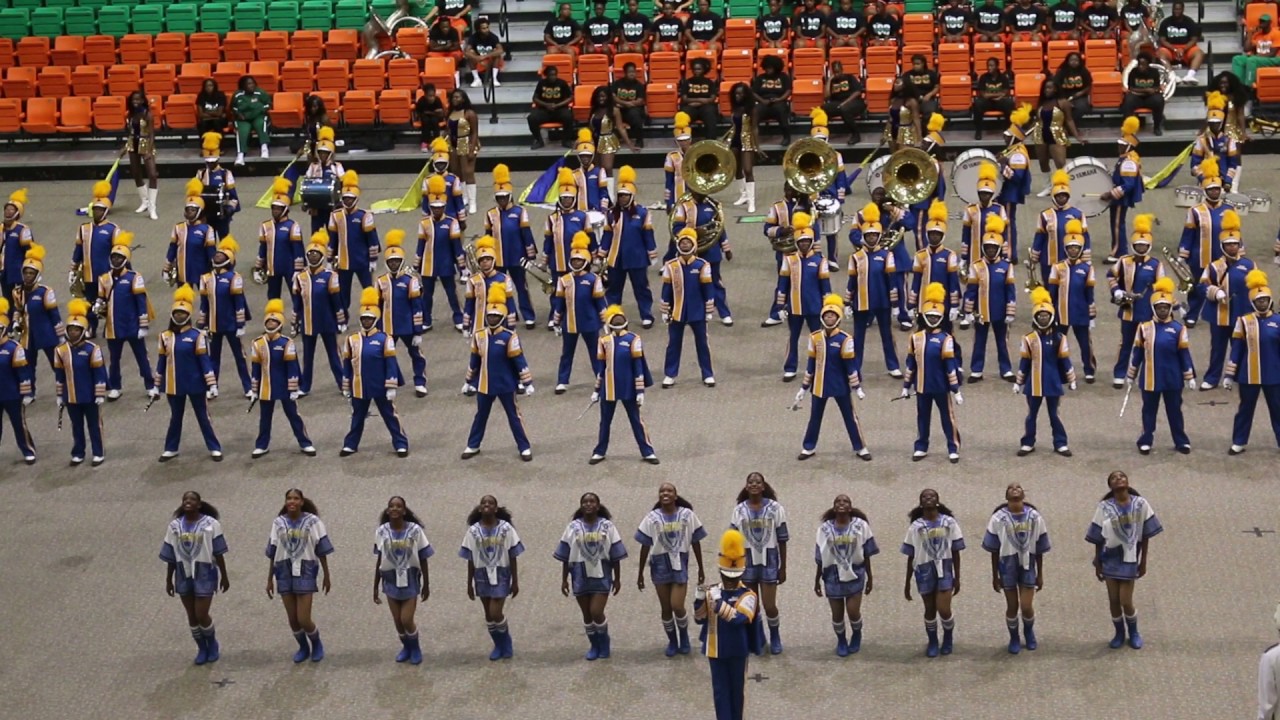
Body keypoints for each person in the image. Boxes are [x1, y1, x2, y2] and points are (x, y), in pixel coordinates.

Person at [1086, 471, 1162, 648]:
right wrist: (1098, 562)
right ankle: (1119, 632)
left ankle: (1134, 631)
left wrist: (1143, 561)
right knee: (1113, 600)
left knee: (1125, 601)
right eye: (1114, 478)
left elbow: (1145, 534)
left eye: (1122, 476)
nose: (1118, 478)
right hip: (1110, 558)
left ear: (1128, 482)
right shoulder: (1104, 507)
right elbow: (1098, 536)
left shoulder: (1140, 504)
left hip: (1130, 557)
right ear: (1110, 486)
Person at [461, 285, 535, 461]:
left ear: (502, 318)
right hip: (484, 384)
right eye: (490, 316)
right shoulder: (479, 336)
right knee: (480, 416)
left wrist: (527, 382)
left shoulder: (509, 337)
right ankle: (473, 445)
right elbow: (474, 361)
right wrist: (468, 380)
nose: (492, 318)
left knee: (514, 416)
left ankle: (524, 447)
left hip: (505, 384)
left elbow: (519, 361)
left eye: (496, 316)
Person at [150, 286, 221, 462]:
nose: (179, 316)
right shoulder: (165, 336)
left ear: (189, 315)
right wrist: (156, 386)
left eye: (182, 313)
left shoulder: (197, 336)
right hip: (174, 385)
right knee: (175, 417)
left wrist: (211, 383)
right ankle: (171, 448)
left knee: (203, 416)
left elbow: (205, 361)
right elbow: (161, 362)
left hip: (195, 383)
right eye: (176, 313)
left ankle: (214, 447)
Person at [553, 492, 628, 660]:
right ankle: (594, 645)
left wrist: (618, 578)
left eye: (592, 501)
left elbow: (615, 553)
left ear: (598, 505)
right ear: (581, 506)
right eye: (585, 502)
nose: (588, 504)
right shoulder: (573, 527)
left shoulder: (607, 526)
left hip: (602, 574)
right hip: (579, 574)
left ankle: (604, 642)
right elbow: (566, 554)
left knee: (596, 611)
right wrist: (564, 579)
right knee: (587, 615)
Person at [796, 293, 871, 461]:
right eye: (827, 315)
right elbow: (810, 364)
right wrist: (803, 388)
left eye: (832, 316)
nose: (829, 318)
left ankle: (860, 446)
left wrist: (857, 388)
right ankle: (808, 446)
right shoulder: (814, 337)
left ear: (838, 318)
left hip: (840, 386)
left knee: (850, 417)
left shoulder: (845, 339)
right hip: (819, 386)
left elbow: (851, 367)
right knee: (814, 418)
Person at [694, 529, 760, 720]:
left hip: (738, 650)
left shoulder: (748, 595)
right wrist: (699, 600)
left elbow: (739, 619)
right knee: (720, 693)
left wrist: (719, 603)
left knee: (736, 692)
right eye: (726, 576)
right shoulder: (713, 592)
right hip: (715, 650)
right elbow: (700, 619)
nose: (729, 580)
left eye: (733, 577)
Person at [636, 482, 707, 656]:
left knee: (677, 605)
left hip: (679, 565)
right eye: (662, 491)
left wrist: (700, 568)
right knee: (666, 608)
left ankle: (684, 637)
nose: (665, 493)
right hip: (659, 565)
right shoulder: (651, 518)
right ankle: (672, 641)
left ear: (676, 496)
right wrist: (640, 574)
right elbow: (645, 545)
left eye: (669, 491)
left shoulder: (687, 515)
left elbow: (695, 541)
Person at [1126, 277, 1195, 453]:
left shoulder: (1179, 329)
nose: (1163, 310)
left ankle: (1181, 441)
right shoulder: (1144, 328)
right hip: (1149, 379)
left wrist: (1189, 376)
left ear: (1170, 308)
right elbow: (1137, 353)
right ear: (1154, 309)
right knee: (1149, 411)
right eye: (1159, 307)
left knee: (1175, 412)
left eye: (1165, 307)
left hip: (1173, 378)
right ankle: (1145, 439)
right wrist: (1131, 374)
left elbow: (1184, 354)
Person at [160, 491, 230, 665]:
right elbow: (170, 555)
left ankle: (212, 643)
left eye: (192, 499)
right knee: (191, 616)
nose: (188, 502)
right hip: (183, 574)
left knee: (201, 614)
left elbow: (219, 552)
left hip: (205, 573)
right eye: (185, 499)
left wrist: (224, 576)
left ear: (199, 504)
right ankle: (201, 648)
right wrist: (169, 579)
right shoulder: (175, 526)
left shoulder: (211, 524)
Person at [981, 483, 1050, 654]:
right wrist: (995, 575)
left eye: (1018, 487)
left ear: (1023, 495)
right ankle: (1014, 637)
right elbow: (994, 550)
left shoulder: (1034, 517)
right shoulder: (998, 518)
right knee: (1012, 606)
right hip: (1007, 566)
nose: (1015, 489)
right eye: (1011, 488)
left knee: (1026, 606)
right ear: (1006, 496)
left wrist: (1040, 574)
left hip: (1028, 565)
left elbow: (1040, 548)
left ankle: (1028, 631)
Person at [266, 488, 334, 662]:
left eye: (296, 498)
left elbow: (321, 549)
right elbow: (273, 551)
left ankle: (316, 643)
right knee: (293, 619)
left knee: (303, 618)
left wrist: (326, 575)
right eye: (289, 498)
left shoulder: (313, 522)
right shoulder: (278, 523)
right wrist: (269, 579)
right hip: (283, 571)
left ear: (302, 502)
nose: (292, 502)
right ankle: (303, 647)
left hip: (306, 570)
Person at [340, 287, 408, 457]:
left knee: (390, 416)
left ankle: (401, 443)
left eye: (370, 319)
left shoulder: (385, 338)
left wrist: (391, 385)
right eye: (364, 318)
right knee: (357, 417)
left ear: (376, 319)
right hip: (359, 386)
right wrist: (346, 386)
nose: (366, 321)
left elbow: (391, 363)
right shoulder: (351, 339)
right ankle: (351, 444)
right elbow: (347, 364)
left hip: (380, 385)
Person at [902, 283, 964, 462]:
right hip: (921, 386)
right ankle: (921, 446)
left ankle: (953, 446)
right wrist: (906, 386)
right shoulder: (915, 338)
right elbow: (910, 364)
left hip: (941, 386)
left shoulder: (946, 339)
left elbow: (950, 366)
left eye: (936, 317)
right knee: (922, 418)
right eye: (930, 316)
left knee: (947, 418)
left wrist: (956, 389)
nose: (933, 319)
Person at [590, 304, 657, 464]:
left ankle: (647, 451)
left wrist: (640, 391)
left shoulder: (634, 339)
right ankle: (600, 450)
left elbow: (638, 367)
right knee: (605, 421)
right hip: (609, 388)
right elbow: (601, 369)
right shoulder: (603, 341)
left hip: (629, 388)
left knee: (636, 420)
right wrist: (596, 390)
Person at [729, 473, 789, 654]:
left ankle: (775, 636)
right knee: (751, 605)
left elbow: (782, 538)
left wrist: (783, 567)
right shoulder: (739, 510)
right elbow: (733, 540)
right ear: (746, 487)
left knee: (769, 605)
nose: (754, 484)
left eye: (758, 482)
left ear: (763, 486)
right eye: (750, 482)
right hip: (747, 562)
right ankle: (757, 638)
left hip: (769, 561)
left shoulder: (776, 509)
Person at [248, 298, 315, 458]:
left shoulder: (286, 343)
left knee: (294, 416)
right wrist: (254, 389)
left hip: (284, 387)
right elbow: (256, 369)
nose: (270, 324)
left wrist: (294, 388)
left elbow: (292, 366)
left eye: (274, 321)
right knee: (265, 419)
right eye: (269, 321)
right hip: (266, 388)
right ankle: (261, 445)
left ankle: (305, 442)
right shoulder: (257, 343)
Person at [459, 494, 523, 660]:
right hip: (481, 574)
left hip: (501, 572)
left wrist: (515, 581)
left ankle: (506, 641)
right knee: (488, 614)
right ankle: (497, 645)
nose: (486, 505)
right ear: (480, 508)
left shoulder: (506, 529)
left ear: (496, 508)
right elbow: (470, 558)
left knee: (496, 612)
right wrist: (469, 583)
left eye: (490, 503)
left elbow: (513, 554)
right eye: (483, 503)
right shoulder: (473, 531)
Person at [1015, 287, 1077, 456]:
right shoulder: (1028, 339)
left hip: (1052, 382)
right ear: (1035, 317)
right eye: (1040, 316)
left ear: (1051, 317)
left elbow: (1065, 360)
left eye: (1046, 316)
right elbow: (1024, 362)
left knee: (1054, 415)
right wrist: (1018, 382)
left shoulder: (1059, 338)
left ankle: (1060, 442)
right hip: (1033, 384)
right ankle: (1028, 442)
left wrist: (1072, 379)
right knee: (1031, 415)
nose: (1043, 319)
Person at [902, 488, 964, 657]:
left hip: (944, 569)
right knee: (929, 609)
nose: (928, 498)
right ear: (920, 502)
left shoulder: (949, 523)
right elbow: (911, 554)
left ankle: (948, 637)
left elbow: (956, 551)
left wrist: (957, 576)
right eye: (924, 496)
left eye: (932, 496)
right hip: (924, 571)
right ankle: (933, 641)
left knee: (943, 609)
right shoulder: (915, 527)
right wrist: (907, 582)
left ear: (937, 500)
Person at [372, 496, 433, 664]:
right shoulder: (381, 532)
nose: (394, 509)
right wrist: (375, 587)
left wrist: (426, 584)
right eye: (391, 506)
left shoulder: (415, 531)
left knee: (406, 619)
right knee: (398, 621)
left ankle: (415, 648)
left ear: (404, 511)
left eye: (398, 506)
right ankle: (406, 647)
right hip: (390, 579)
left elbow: (423, 557)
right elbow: (379, 558)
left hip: (410, 578)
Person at [1225, 270, 1280, 454]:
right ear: (1253, 302)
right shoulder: (1243, 321)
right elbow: (1237, 350)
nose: (1262, 303)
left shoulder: (1278, 321)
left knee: (1278, 409)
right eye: (1258, 301)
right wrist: (1229, 375)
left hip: (1274, 375)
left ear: (1270, 300)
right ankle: (1239, 441)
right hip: (1248, 375)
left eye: (1264, 300)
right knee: (1245, 409)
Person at [815, 494, 877, 656]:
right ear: (834, 507)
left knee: (853, 611)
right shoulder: (824, 529)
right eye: (838, 501)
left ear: (850, 507)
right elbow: (820, 556)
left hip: (855, 573)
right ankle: (841, 640)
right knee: (837, 614)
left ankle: (856, 634)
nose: (841, 503)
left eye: (845, 501)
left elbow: (867, 552)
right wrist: (817, 580)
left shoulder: (861, 526)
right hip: (832, 575)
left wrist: (870, 577)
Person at [1107, 214, 1164, 388]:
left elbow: (1162, 288)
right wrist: (1116, 291)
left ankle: (1147, 373)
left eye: (1144, 245)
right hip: (1128, 310)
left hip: (1147, 311)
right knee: (1125, 343)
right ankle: (1119, 373)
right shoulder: (1124, 261)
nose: (1141, 248)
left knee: (1148, 344)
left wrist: (1174, 305)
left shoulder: (1156, 264)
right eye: (1138, 245)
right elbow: (1111, 275)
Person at [845, 205, 902, 378]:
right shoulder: (855, 257)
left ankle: (893, 366)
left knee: (887, 335)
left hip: (882, 302)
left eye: (874, 235)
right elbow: (851, 281)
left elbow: (892, 282)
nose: (871, 238)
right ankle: (855, 367)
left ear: (879, 236)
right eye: (868, 235)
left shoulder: (886, 255)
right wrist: (847, 302)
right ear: (863, 237)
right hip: (860, 303)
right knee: (858, 337)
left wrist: (895, 305)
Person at [95, 232, 152, 401]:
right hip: (113, 326)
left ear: (126, 260)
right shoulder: (104, 279)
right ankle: (115, 387)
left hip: (132, 325)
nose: (116, 260)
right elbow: (102, 297)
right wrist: (97, 305)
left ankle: (150, 385)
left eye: (120, 258)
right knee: (114, 360)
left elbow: (141, 302)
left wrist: (143, 325)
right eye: (114, 257)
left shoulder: (135, 277)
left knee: (142, 357)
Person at [1200, 212, 1255, 389]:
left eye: (1235, 244)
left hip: (1241, 312)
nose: (1232, 247)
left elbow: (1258, 287)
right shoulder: (1214, 266)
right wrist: (1215, 293)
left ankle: (1240, 376)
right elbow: (1202, 286)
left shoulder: (1249, 265)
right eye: (1228, 244)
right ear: (1222, 246)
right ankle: (1212, 377)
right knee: (1217, 348)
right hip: (1219, 314)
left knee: (1240, 346)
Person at [599, 168, 656, 326]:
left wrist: (652, 253)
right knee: (614, 290)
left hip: (637, 258)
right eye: (620, 195)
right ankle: (613, 315)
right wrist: (601, 254)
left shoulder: (643, 213)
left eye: (626, 195)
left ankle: (646, 315)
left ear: (632, 196)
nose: (623, 198)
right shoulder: (611, 214)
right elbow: (607, 236)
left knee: (641, 288)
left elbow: (648, 235)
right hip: (616, 259)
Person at [778, 215, 831, 381]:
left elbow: (826, 287)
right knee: (793, 337)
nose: (804, 244)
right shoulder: (789, 260)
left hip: (815, 307)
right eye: (801, 241)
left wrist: (827, 307)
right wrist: (780, 306)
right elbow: (782, 284)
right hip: (794, 307)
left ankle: (819, 367)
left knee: (818, 339)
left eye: (807, 241)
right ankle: (790, 368)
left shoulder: (820, 260)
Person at [661, 229, 717, 388]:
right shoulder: (671, 266)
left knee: (702, 343)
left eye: (688, 242)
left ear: (693, 245)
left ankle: (708, 374)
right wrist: (665, 310)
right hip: (677, 311)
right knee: (673, 344)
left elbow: (708, 289)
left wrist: (708, 310)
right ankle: (670, 374)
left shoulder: (702, 265)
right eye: (682, 242)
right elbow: (666, 289)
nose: (685, 245)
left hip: (697, 311)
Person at [484, 165, 539, 328]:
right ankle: (505, 315)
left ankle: (528, 315)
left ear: (510, 195)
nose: (502, 200)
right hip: (498, 258)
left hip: (517, 256)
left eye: (505, 197)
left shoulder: (520, 211)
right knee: (499, 289)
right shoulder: (490, 214)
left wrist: (530, 255)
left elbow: (526, 234)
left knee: (522, 287)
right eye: (499, 197)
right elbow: (487, 237)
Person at [551, 233, 606, 393]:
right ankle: (562, 381)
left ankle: (600, 378)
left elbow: (600, 303)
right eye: (574, 260)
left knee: (596, 353)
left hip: (590, 322)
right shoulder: (564, 280)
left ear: (585, 262)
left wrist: (605, 322)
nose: (576, 263)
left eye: (579, 260)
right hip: (569, 323)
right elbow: (559, 303)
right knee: (566, 353)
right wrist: (556, 321)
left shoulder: (593, 279)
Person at [54, 299, 107, 465]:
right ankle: (78, 452)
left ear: (83, 331)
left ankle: (98, 452)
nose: (74, 333)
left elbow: (99, 373)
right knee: (76, 427)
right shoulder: (60, 351)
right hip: (71, 396)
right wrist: (60, 395)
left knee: (94, 426)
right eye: (71, 329)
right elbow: (59, 374)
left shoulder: (93, 349)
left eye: (77, 330)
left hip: (90, 395)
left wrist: (99, 394)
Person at [196, 237, 250, 397]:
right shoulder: (205, 279)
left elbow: (239, 302)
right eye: (217, 254)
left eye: (221, 255)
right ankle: (213, 387)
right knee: (213, 358)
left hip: (232, 325)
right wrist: (202, 323)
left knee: (240, 357)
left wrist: (240, 324)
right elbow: (204, 303)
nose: (217, 256)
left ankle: (248, 387)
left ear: (228, 260)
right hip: (214, 325)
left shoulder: (234, 278)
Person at [375, 230, 428, 396]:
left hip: (408, 326)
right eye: (391, 261)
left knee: (416, 354)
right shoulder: (380, 281)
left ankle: (420, 382)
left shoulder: (410, 280)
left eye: (397, 261)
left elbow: (417, 306)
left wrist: (418, 330)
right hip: (388, 327)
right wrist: (377, 328)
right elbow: (377, 306)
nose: (393, 264)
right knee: (386, 356)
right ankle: (391, 382)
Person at [1179, 157, 1230, 327]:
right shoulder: (1195, 211)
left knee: (1222, 284)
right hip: (1199, 255)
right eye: (1211, 189)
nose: (1214, 192)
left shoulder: (1229, 209)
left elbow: (1235, 234)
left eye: (1217, 189)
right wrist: (1183, 253)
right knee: (1198, 286)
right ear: (1205, 190)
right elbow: (1188, 233)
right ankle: (1192, 314)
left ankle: (1218, 312)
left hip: (1221, 255)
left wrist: (1239, 253)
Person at [292, 234, 345, 396]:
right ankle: (305, 386)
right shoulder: (300, 277)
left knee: (334, 355)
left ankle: (343, 384)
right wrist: (295, 322)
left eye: (316, 254)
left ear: (322, 257)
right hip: (308, 323)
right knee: (307, 357)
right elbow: (297, 303)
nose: (313, 256)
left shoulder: (330, 276)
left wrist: (340, 320)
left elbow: (336, 300)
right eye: (310, 254)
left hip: (327, 321)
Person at [965, 217, 1017, 382]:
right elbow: (971, 290)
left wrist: (1010, 311)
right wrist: (967, 311)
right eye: (988, 247)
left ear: (999, 248)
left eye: (994, 247)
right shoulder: (976, 266)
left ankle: (1006, 369)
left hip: (1000, 311)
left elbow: (1011, 291)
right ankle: (976, 370)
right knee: (979, 341)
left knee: (1002, 342)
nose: (991, 250)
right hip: (981, 312)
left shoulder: (1006, 266)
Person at [671, 190, 732, 325]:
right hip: (690, 253)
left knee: (715, 282)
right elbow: (676, 229)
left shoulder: (713, 206)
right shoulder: (684, 207)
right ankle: (693, 312)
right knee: (691, 283)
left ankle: (724, 313)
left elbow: (720, 227)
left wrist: (726, 248)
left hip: (712, 251)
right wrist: (694, 232)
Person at [1047, 225, 1098, 381]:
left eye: (1076, 248)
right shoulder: (1057, 267)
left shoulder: (1087, 268)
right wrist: (1051, 312)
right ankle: (1060, 371)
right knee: (1058, 344)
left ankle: (1089, 370)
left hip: (1081, 313)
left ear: (1081, 249)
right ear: (1066, 249)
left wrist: (1091, 315)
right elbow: (1052, 292)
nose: (1073, 251)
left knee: (1085, 344)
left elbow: (1090, 293)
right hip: (1061, 313)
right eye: (1070, 248)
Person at [71, 182, 120, 338]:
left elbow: (120, 253)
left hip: (107, 274)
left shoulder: (113, 229)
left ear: (106, 211)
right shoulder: (83, 228)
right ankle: (91, 327)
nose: (97, 212)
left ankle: (112, 327)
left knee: (110, 302)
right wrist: (73, 268)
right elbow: (78, 250)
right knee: (90, 302)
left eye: (100, 209)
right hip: (88, 274)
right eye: (95, 209)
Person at [417, 175, 466, 332]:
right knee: (427, 295)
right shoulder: (424, 223)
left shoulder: (451, 223)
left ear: (444, 206)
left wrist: (462, 267)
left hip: (446, 264)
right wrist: (416, 263)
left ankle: (459, 317)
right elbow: (420, 245)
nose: (437, 210)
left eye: (439, 207)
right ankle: (426, 319)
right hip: (428, 265)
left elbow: (457, 247)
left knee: (452, 293)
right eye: (434, 207)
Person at [327, 170, 381, 315]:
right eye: (345, 198)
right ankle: (343, 316)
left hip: (362, 260)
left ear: (356, 198)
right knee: (343, 291)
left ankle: (374, 314)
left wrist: (373, 259)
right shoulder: (336, 216)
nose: (348, 201)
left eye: (351, 198)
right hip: (343, 262)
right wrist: (329, 259)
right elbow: (332, 240)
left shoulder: (364, 216)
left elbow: (372, 239)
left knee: (368, 289)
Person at [13, 245, 64, 386]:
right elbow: (17, 309)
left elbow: (55, 315)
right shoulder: (17, 291)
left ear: (37, 274)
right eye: (26, 272)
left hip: (46, 333)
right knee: (28, 366)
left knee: (57, 365)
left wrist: (60, 336)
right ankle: (30, 392)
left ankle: (65, 388)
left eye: (31, 273)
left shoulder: (45, 292)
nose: (28, 276)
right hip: (28, 335)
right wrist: (16, 322)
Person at [1031, 173, 1090, 287]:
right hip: (1048, 261)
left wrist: (1086, 258)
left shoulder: (1077, 214)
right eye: (1058, 195)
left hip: (1070, 261)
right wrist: (1034, 256)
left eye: (1064, 195)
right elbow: (1039, 237)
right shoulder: (1044, 215)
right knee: (1049, 289)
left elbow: (1085, 237)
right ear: (1053, 196)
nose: (1061, 198)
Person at [544, 168, 592, 305]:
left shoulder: (582, 217)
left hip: (579, 261)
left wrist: (595, 256)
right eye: (563, 198)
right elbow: (548, 240)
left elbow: (590, 238)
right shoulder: (552, 218)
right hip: (557, 261)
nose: (566, 201)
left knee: (579, 290)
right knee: (557, 290)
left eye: (569, 198)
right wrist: (545, 258)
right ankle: (555, 315)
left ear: (574, 199)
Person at [1030, 79, 1084, 195]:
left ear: (1055, 89)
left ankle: (1063, 185)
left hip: (1057, 134)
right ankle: (1048, 187)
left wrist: (1077, 136)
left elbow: (1069, 120)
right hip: (1040, 134)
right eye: (1045, 88)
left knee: (1060, 162)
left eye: (1049, 88)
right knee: (1043, 162)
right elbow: (1037, 120)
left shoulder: (1063, 103)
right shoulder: (1041, 103)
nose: (1047, 90)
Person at [256, 178, 303, 301]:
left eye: (279, 209)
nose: (275, 211)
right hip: (272, 267)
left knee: (296, 294)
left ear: (286, 210)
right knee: (272, 296)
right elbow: (263, 247)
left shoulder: (293, 226)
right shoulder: (265, 226)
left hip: (289, 267)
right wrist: (259, 266)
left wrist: (298, 269)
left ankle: (298, 316)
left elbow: (298, 249)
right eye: (274, 208)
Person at [165, 181, 217, 290]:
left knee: (206, 298)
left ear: (199, 212)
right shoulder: (178, 227)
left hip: (201, 270)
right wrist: (167, 267)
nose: (189, 213)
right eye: (187, 210)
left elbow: (211, 252)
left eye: (193, 210)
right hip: (183, 271)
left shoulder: (207, 229)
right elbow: (172, 248)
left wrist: (214, 268)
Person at [960, 163, 1010, 274]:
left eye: (987, 194)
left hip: (994, 255)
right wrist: (964, 257)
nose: (984, 196)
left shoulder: (999, 209)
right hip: (974, 255)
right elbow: (965, 234)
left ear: (992, 194)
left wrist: (1005, 255)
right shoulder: (970, 209)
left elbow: (1004, 235)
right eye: (982, 193)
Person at [0, 297, 33, 464]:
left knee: (19, 425)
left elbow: (22, 372)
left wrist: (26, 393)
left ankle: (28, 450)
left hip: (12, 394)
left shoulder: (14, 348)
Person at [1106, 118, 1144, 262]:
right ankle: (1119, 250)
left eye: (1122, 145)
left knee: (1117, 225)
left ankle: (1119, 253)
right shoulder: (1125, 158)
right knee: (1117, 224)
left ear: (1129, 147)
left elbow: (1128, 185)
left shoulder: (1129, 162)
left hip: (1120, 199)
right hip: (1119, 198)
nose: (1119, 147)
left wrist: (1110, 194)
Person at [999, 106, 1034, 263]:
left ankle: (1010, 254)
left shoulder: (1018, 154)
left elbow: (1017, 177)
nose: (1005, 138)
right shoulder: (1012, 149)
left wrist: (1002, 166)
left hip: (1010, 193)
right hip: (1006, 192)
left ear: (1014, 138)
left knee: (1008, 223)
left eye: (1008, 137)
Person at [194, 133, 240, 240]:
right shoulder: (200, 174)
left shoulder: (225, 174)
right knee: (207, 241)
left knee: (224, 240)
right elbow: (195, 194)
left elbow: (233, 196)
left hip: (221, 215)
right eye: (208, 162)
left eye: (213, 162)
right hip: (205, 214)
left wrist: (229, 209)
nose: (210, 164)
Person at [1192, 92, 1241, 191]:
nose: (1214, 126)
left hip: (1224, 181)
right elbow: (1194, 164)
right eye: (1211, 123)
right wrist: (1202, 179)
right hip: (1205, 181)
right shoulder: (1202, 140)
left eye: (1217, 123)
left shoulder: (1229, 140)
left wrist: (1228, 181)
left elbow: (1233, 164)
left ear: (1221, 123)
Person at [589, 87, 638, 185]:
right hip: (595, 140)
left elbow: (621, 128)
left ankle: (610, 192)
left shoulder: (614, 110)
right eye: (598, 96)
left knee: (607, 167)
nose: (601, 98)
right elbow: (590, 128)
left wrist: (630, 144)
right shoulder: (594, 110)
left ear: (608, 97)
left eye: (603, 96)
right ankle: (600, 191)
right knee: (597, 168)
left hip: (608, 140)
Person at [303, 129, 344, 235]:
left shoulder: (337, 166)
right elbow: (306, 184)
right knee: (316, 232)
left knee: (333, 232)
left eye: (325, 153)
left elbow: (342, 183)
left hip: (332, 207)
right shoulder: (313, 166)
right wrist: (306, 202)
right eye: (320, 153)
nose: (323, 155)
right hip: (316, 207)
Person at [126, 89, 159, 220]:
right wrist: (126, 146)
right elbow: (130, 132)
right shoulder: (130, 114)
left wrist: (149, 151)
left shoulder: (148, 115)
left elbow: (151, 134)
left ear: (142, 100)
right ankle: (144, 201)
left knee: (152, 174)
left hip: (146, 144)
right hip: (132, 143)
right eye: (134, 99)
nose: (136, 102)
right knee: (136, 173)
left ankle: (152, 207)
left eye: (138, 99)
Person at [448, 90, 482, 215]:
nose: (454, 99)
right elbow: (448, 131)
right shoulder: (451, 113)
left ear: (463, 99)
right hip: (453, 145)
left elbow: (474, 132)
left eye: (457, 97)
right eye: (453, 97)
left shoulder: (470, 113)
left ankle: (473, 202)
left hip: (466, 142)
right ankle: (464, 198)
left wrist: (472, 149)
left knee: (468, 172)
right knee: (457, 172)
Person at [421, 138, 467, 224]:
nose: (440, 166)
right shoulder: (427, 180)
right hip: (433, 219)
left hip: (452, 217)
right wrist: (425, 219)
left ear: (447, 163)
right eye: (438, 164)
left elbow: (459, 201)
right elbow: (425, 202)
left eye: (443, 163)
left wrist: (462, 219)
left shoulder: (454, 179)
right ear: (434, 163)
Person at [728, 83, 758, 213]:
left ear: (746, 95)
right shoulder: (734, 108)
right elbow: (734, 126)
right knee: (737, 169)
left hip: (747, 140)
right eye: (736, 94)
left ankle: (752, 201)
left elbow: (755, 128)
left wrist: (757, 146)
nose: (738, 96)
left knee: (748, 170)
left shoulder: (752, 109)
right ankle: (743, 195)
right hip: (735, 140)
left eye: (740, 93)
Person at [528, 65, 574, 150]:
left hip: (559, 109)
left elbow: (570, 97)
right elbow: (535, 98)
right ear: (546, 75)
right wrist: (546, 105)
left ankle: (566, 140)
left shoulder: (562, 83)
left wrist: (558, 105)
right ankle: (539, 141)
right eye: (551, 75)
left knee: (568, 116)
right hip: (544, 110)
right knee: (531, 118)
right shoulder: (541, 83)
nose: (553, 77)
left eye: (554, 74)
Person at [1157, 1, 1203, 83]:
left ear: (1182, 10)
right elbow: (1162, 40)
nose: (1176, 11)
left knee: (1199, 53)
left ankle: (1190, 76)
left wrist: (1184, 49)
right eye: (1174, 9)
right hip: (1170, 48)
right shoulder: (1166, 22)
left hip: (1186, 48)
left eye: (1178, 9)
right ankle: (1172, 76)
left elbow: (1194, 39)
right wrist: (1174, 49)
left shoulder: (1189, 22)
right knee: (1160, 54)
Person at [1121, 54, 1166, 135]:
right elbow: (1131, 88)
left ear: (1148, 64)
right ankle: (1129, 129)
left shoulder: (1154, 72)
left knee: (1159, 100)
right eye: (1139, 64)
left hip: (1150, 97)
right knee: (1128, 101)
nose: (1141, 66)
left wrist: (1154, 90)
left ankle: (1157, 127)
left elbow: (1156, 87)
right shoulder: (1133, 72)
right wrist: (1146, 90)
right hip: (1137, 96)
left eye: (1143, 64)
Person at [752, 55, 792, 145]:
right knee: (755, 111)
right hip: (764, 102)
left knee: (781, 111)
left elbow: (788, 91)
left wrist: (780, 99)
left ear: (775, 67)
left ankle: (786, 137)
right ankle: (753, 139)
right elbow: (753, 93)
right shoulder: (760, 78)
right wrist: (762, 101)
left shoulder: (783, 77)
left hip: (779, 101)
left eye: (769, 68)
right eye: (766, 68)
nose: (767, 70)